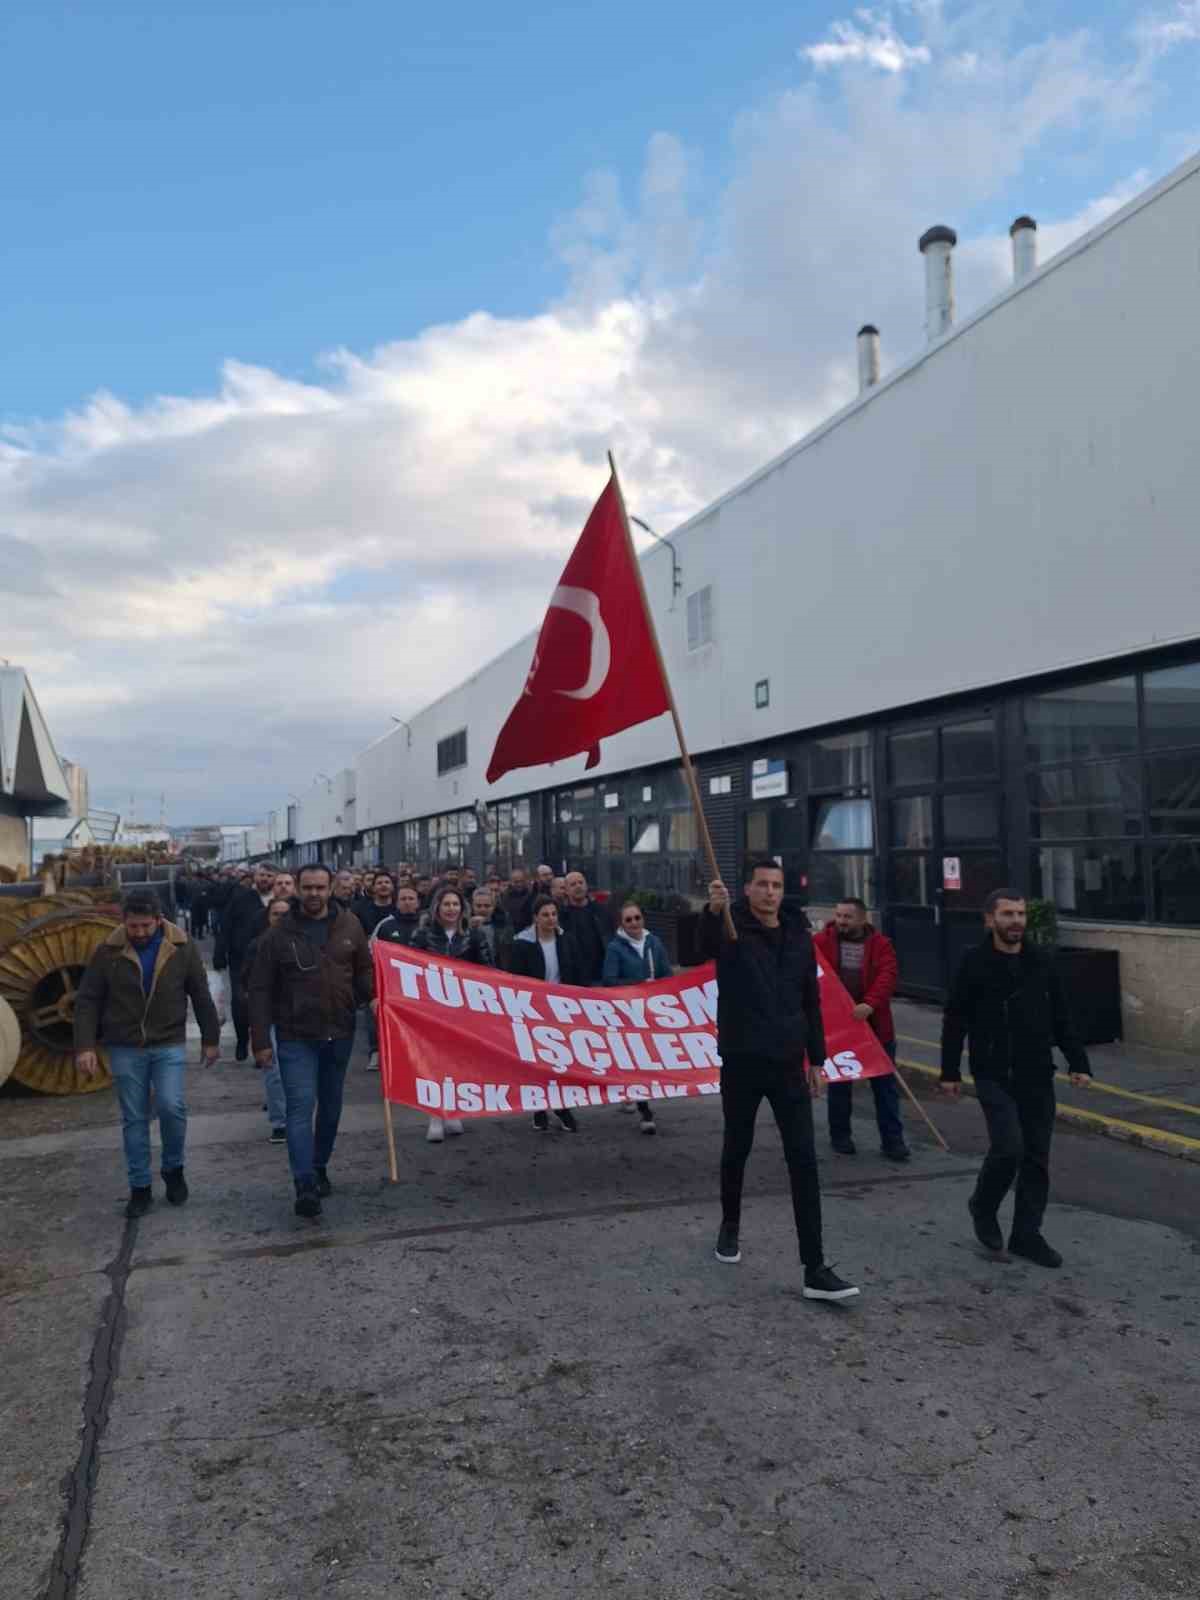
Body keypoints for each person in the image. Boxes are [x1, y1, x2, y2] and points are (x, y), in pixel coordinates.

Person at [701, 861, 859, 1302]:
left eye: (777, 885)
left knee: (804, 1160)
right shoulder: (731, 929)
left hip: (790, 1062)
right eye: (762, 885)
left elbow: (811, 999)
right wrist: (713, 912)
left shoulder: (797, 935)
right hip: (742, 1061)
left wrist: (817, 1059)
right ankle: (729, 1224)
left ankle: (814, 1267)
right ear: (747, 889)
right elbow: (701, 946)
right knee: (737, 1147)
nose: (771, 892)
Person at [940, 889, 1092, 1268]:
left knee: (1037, 1159)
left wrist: (1078, 1061)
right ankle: (983, 1205)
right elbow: (955, 1019)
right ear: (990, 920)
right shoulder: (973, 962)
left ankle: (1027, 1235)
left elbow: (1061, 1015)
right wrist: (949, 1071)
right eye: (1008, 914)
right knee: (1009, 1148)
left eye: (1021, 914)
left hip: (1037, 1073)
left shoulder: (1041, 961)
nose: (1016, 921)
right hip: (993, 1073)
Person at [74, 890, 220, 1218]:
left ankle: (173, 1168)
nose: (139, 933)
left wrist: (210, 1038)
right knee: (134, 1118)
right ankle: (139, 1187)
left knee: (172, 1106)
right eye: (133, 927)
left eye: (145, 926)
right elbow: (88, 1000)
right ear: (123, 922)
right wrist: (85, 1047)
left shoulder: (181, 948)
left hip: (167, 1042)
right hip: (124, 1045)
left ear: (158, 920)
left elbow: (199, 992)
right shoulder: (108, 952)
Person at [248, 864, 374, 1219]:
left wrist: (374, 996)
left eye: (320, 887)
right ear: (296, 889)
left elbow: (363, 968)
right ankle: (304, 1183)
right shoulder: (278, 934)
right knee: (300, 1108)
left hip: (340, 1031)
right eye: (308, 887)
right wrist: (261, 1040)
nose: (314, 894)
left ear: (331, 887)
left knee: (331, 1107)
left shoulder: (350, 925)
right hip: (295, 1035)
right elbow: (259, 990)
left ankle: (319, 1166)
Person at [813, 898, 909, 1162]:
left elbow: (887, 976)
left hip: (876, 1027)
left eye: (848, 917)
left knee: (885, 1087)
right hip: (840, 1028)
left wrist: (870, 1004)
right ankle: (840, 1137)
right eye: (839, 916)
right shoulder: (821, 942)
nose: (842, 921)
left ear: (863, 919)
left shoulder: (881, 945)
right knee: (840, 1086)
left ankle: (893, 1141)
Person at [409, 885, 494, 1141]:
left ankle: (453, 1109)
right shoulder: (422, 935)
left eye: (455, 904)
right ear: (437, 907)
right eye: (446, 904)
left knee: (457, 1060)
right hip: (431, 1008)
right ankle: (435, 1115)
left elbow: (487, 969)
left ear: (462, 908)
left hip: (463, 1008)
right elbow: (409, 967)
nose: (451, 909)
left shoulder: (475, 935)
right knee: (435, 1061)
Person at [510, 896, 581, 1132]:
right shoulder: (523, 944)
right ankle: (539, 1108)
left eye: (553, 914)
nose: (551, 919)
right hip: (534, 1009)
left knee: (561, 1059)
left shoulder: (568, 940)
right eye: (545, 915)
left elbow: (575, 972)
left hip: (562, 1008)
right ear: (535, 918)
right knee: (538, 1061)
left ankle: (561, 1106)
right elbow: (516, 978)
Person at [602, 900, 672, 1135]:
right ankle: (645, 1111)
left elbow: (667, 974)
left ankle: (630, 1092)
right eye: (628, 920)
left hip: (649, 1012)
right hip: (627, 1013)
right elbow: (610, 980)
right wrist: (639, 986)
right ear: (622, 924)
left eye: (637, 918)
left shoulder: (654, 942)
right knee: (635, 1058)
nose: (634, 923)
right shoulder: (615, 948)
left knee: (646, 1058)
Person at [240, 896, 293, 1142]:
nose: (281, 919)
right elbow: (248, 984)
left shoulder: (305, 943)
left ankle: (299, 1116)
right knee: (274, 1072)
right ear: (268, 918)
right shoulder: (257, 946)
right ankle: (280, 1121)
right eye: (276, 914)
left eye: (286, 914)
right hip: (270, 1016)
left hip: (300, 1017)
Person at [213, 861, 275, 1061]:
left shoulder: (281, 902)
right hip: (241, 958)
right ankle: (242, 1039)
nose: (264, 879)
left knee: (266, 1003)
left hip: (272, 960)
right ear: (254, 877)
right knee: (241, 1002)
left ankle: (261, 1047)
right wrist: (220, 953)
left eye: (268, 875)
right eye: (261, 875)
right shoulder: (241, 898)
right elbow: (226, 926)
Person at [558, 870, 612, 985]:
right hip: (574, 980)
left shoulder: (601, 911)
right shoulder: (560, 916)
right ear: (566, 890)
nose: (578, 886)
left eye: (580, 882)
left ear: (586, 886)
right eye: (573, 884)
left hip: (600, 976)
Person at [466, 886, 511, 969]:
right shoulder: (464, 928)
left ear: (493, 906)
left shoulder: (504, 927)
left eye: (487, 906)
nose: (482, 909)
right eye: (478, 906)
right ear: (472, 906)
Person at [500, 865, 534, 933]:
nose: (519, 884)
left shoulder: (531, 896)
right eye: (516, 882)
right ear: (511, 882)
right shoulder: (505, 897)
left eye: (521, 881)